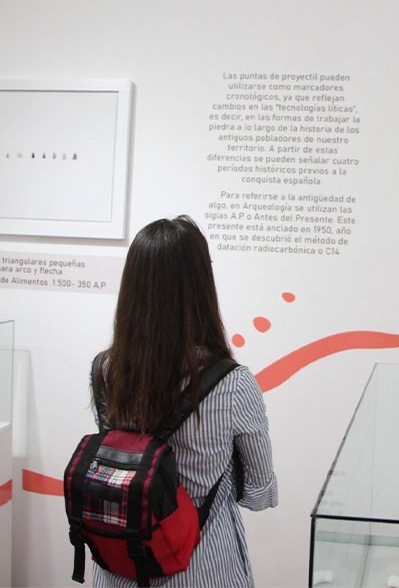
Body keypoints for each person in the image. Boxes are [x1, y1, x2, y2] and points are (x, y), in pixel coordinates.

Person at [90, 215, 278, 587]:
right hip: (202, 569)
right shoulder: (233, 383)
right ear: (200, 285)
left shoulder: (105, 369)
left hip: (119, 569)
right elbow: (259, 493)